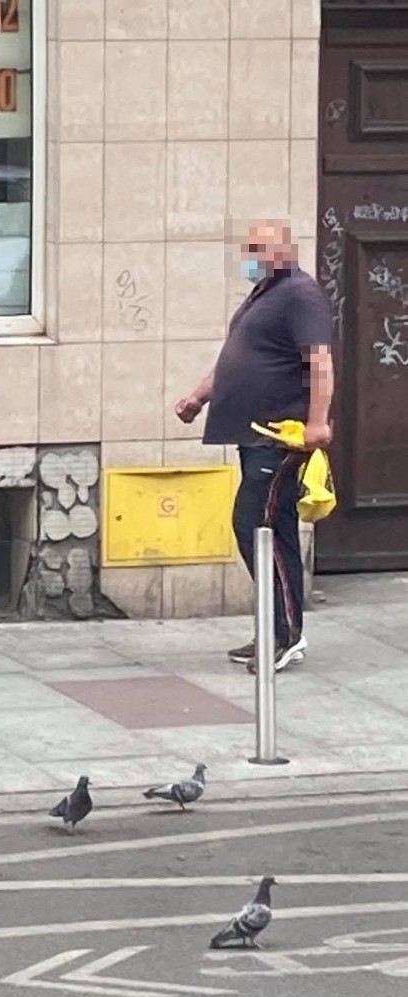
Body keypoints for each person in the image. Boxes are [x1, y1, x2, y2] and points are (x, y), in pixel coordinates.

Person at [175, 221, 335, 672]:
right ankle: (278, 629)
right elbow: (238, 353)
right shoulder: (265, 294)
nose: (251, 257)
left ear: (284, 250)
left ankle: (285, 636)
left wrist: (317, 422)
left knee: (256, 526)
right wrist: (198, 397)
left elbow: (320, 361)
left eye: (259, 248)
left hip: (279, 436)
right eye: (249, 249)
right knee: (271, 527)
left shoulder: (300, 295)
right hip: (255, 436)